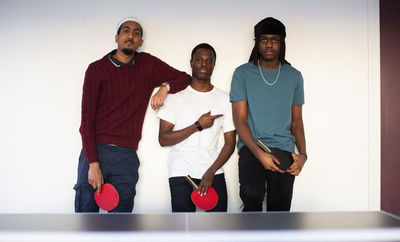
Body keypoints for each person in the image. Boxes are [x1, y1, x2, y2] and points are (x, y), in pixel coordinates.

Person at [74, 17, 191, 212]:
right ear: (117, 37)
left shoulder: (147, 65)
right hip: (95, 152)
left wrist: (165, 87)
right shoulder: (96, 69)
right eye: (126, 31)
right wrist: (93, 164)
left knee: (122, 226)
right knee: (86, 219)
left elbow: (184, 78)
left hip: (126, 156)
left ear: (140, 42)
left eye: (136, 34)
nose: (131, 36)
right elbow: (86, 122)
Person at [230, 17, 307, 212]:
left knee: (280, 212)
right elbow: (239, 121)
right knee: (252, 199)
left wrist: (303, 155)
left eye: (275, 40)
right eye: (264, 40)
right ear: (257, 43)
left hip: (284, 150)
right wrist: (260, 154)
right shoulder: (242, 73)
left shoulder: (294, 76)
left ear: (282, 43)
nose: (269, 44)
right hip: (252, 149)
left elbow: (296, 122)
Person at [157, 43, 236, 212]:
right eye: (199, 59)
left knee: (218, 228)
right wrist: (198, 125)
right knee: (183, 231)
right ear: (191, 62)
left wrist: (211, 172)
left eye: (209, 60)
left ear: (214, 64)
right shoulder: (174, 97)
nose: (204, 64)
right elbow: (163, 139)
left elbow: (230, 143)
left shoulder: (225, 99)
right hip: (181, 170)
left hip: (213, 171)